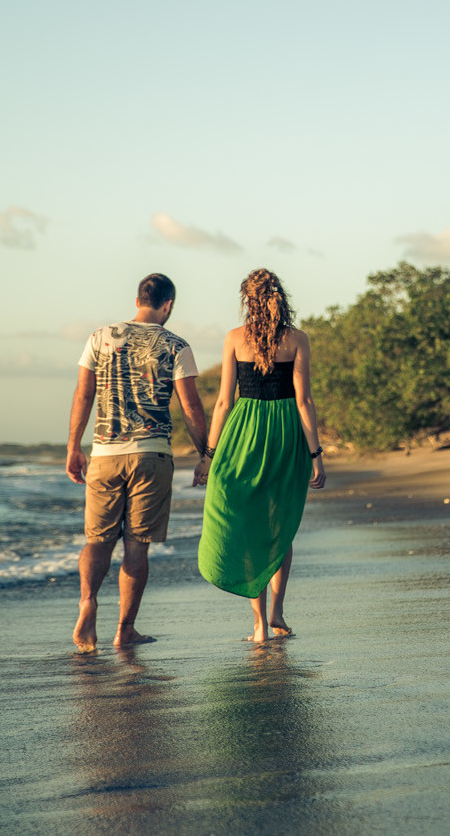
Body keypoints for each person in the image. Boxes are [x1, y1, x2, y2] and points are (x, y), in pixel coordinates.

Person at [67, 273, 208, 653]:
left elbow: (84, 393)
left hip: (105, 454)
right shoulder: (176, 345)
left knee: (98, 539)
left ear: (137, 301)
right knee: (136, 544)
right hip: (152, 454)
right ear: (168, 305)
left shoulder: (99, 337)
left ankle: (87, 602)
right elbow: (190, 406)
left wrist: (73, 446)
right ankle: (125, 629)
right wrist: (204, 453)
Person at [197, 269, 326, 643]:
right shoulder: (297, 339)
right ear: (280, 296)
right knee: (279, 527)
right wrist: (315, 453)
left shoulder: (234, 339)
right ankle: (277, 612)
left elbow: (223, 402)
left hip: (243, 435)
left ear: (246, 300)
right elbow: (303, 401)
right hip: (285, 435)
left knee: (245, 525)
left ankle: (258, 626)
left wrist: (209, 455)